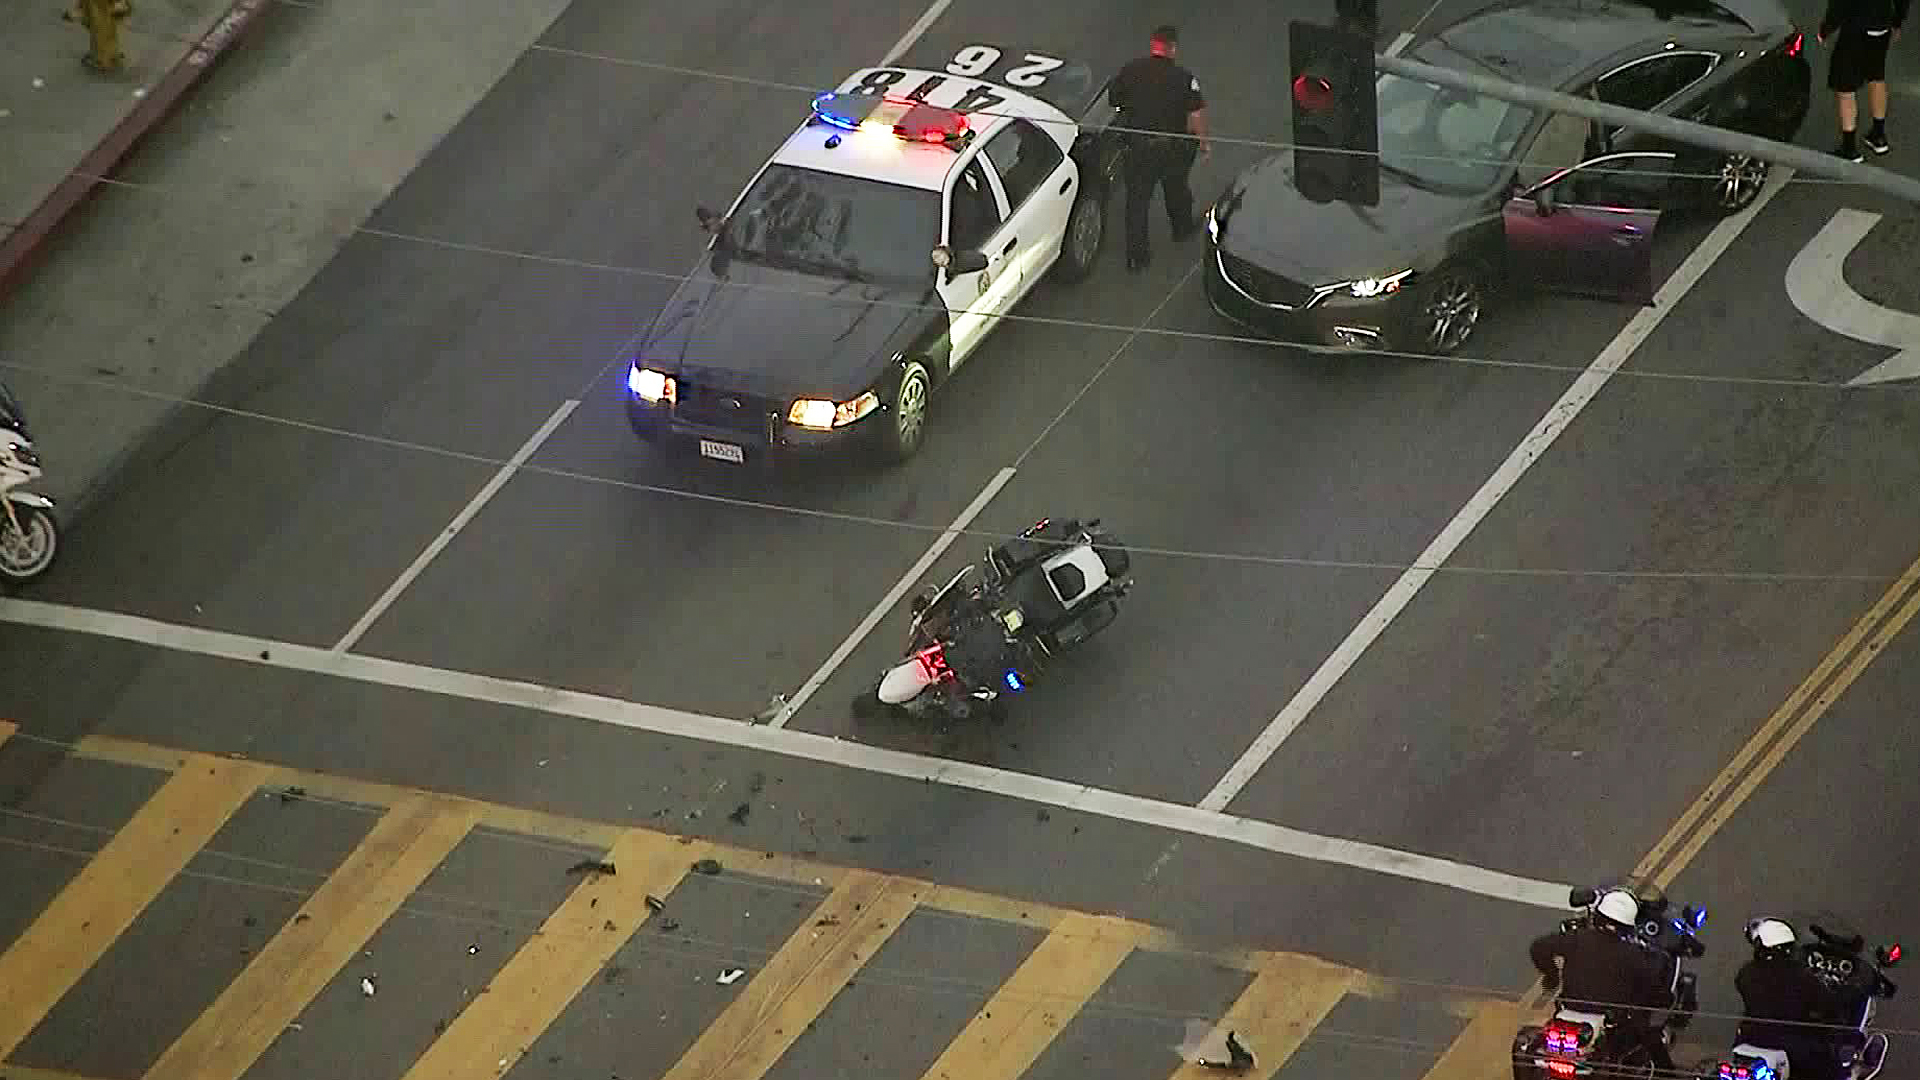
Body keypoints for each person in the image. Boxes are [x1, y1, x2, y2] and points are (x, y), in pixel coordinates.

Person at [1529, 889, 1679, 1074]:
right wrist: (1664, 1000)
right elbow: (1655, 991)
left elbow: (1538, 947)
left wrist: (1551, 975)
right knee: (1650, 1038)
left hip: (1567, 1014)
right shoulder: (1634, 955)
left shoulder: (1578, 939)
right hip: (1611, 1026)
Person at [1109, 25, 1210, 272]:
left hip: (1138, 148)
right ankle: (1182, 229)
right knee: (1176, 190)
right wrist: (1204, 142)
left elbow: (1114, 99)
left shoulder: (1130, 69)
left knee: (1137, 202)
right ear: (1173, 48)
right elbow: (1196, 114)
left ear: (1153, 44)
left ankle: (1137, 257)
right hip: (1171, 147)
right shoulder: (1185, 78)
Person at [1735, 919, 1866, 1080]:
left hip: (1751, 1037)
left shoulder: (1746, 973)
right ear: (1786, 949)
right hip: (1793, 1045)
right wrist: (1850, 991)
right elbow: (1828, 1005)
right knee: (1832, 1068)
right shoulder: (1798, 976)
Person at [1818, 0, 1910, 160]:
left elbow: (1839, 4)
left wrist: (1826, 29)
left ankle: (1849, 148)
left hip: (1856, 26)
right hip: (1882, 23)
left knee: (1845, 87)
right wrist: (1897, 20)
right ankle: (1878, 135)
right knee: (1876, 76)